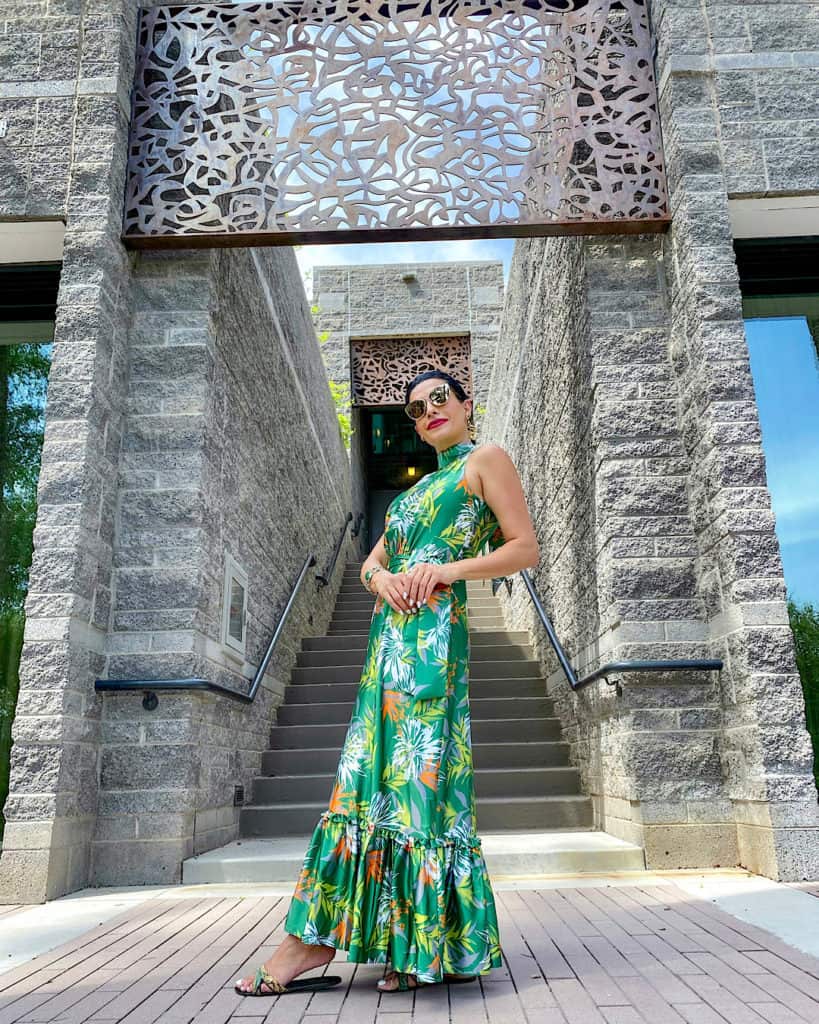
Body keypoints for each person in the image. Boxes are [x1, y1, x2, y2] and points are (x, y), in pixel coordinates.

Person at [235, 369, 540, 997]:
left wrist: (444, 570)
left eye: (438, 399)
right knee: (364, 781)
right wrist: (382, 581)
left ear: (464, 404)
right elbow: (372, 563)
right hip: (387, 649)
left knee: (419, 785)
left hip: (432, 643)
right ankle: (330, 941)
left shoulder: (483, 461)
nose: (427, 411)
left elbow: (524, 548)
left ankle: (410, 948)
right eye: (414, 407)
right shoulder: (414, 492)